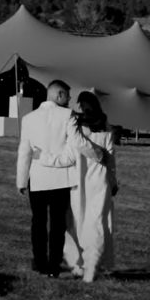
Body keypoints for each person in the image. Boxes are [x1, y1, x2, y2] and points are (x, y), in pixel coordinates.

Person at [16, 80, 102, 278]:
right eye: (68, 95)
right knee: (57, 224)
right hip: (60, 179)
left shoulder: (28, 118)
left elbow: (24, 151)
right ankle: (53, 266)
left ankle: (39, 263)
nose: (70, 99)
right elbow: (78, 143)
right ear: (59, 95)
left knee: (38, 222)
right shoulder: (67, 115)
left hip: (37, 178)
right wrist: (99, 155)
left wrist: (21, 180)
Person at [34, 91, 118, 283]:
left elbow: (67, 158)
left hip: (77, 182)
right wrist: (113, 182)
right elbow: (111, 159)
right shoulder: (105, 128)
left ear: (81, 107)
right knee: (96, 224)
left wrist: (42, 157)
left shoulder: (76, 130)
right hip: (100, 181)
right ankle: (91, 266)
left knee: (73, 224)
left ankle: (81, 265)